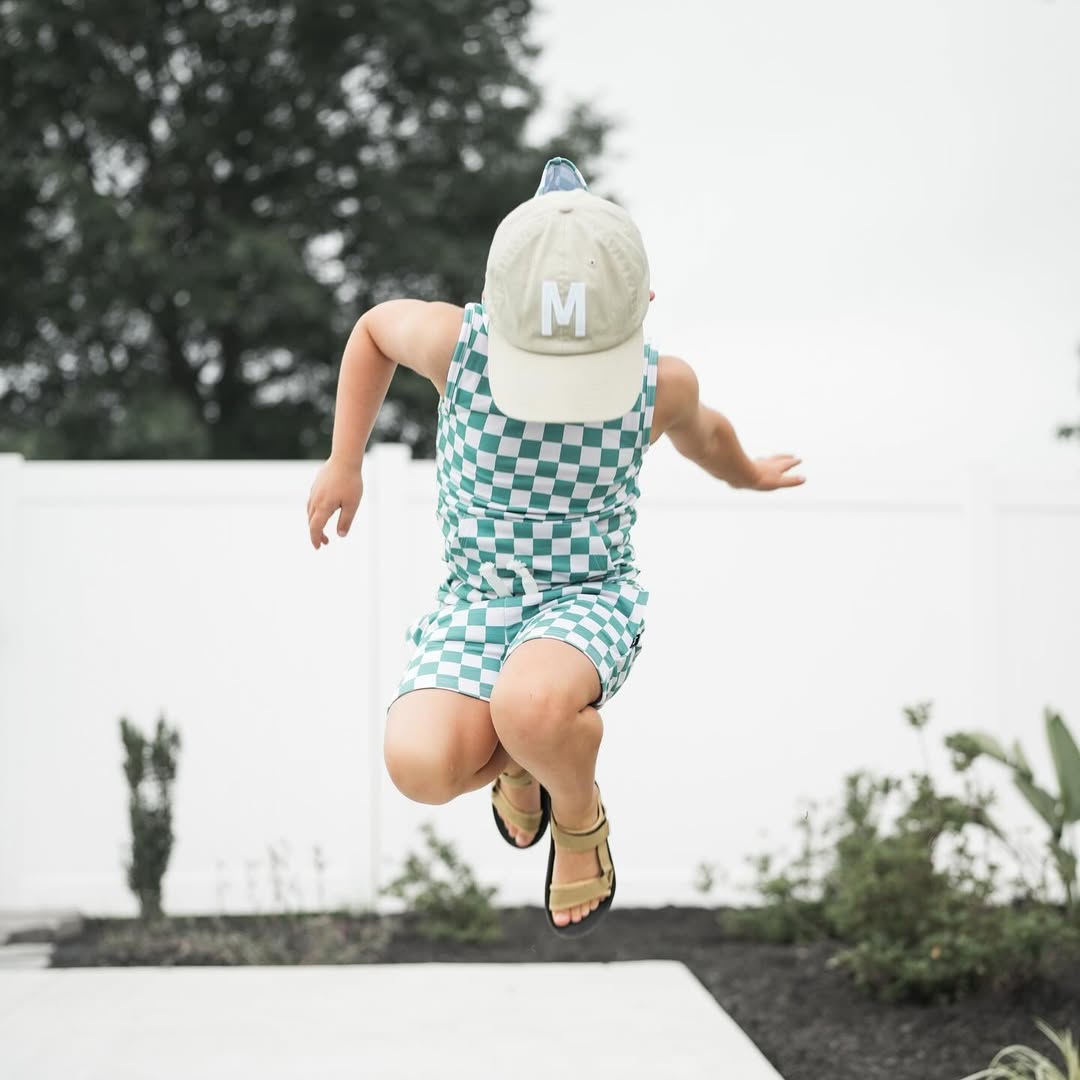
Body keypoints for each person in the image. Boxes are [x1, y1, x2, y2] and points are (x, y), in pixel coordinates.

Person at [306, 160, 804, 937]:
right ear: (493, 305)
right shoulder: (454, 343)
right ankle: (526, 761)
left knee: (528, 703)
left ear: (642, 305)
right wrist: (345, 460)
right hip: (477, 602)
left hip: (587, 598)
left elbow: (705, 434)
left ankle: (578, 817)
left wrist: (747, 477)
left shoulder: (656, 384)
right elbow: (372, 330)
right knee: (420, 766)